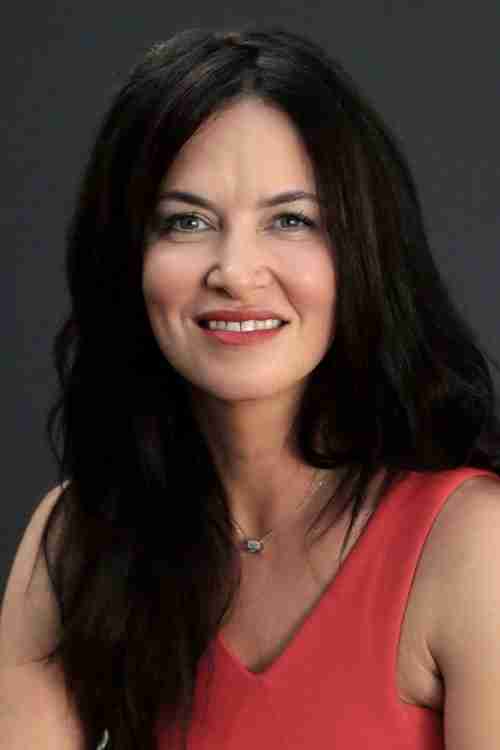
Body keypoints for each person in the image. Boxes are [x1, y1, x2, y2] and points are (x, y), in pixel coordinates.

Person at [1, 23, 500, 750]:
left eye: (291, 220)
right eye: (186, 221)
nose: (235, 272)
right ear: (127, 256)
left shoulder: (473, 544)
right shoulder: (80, 539)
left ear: (363, 251)